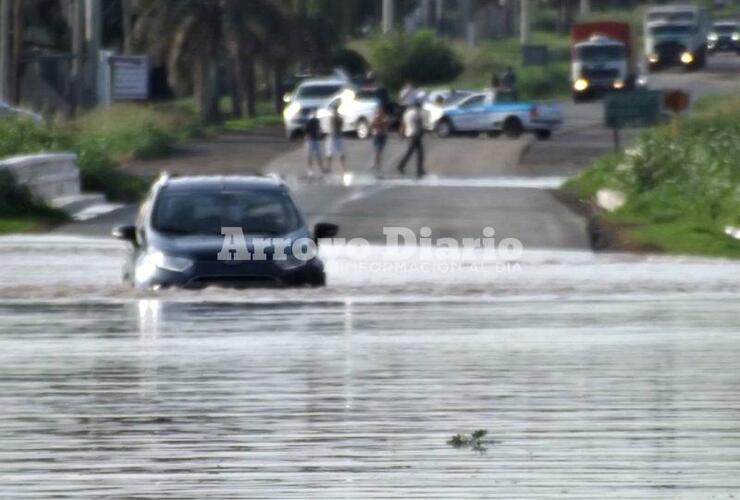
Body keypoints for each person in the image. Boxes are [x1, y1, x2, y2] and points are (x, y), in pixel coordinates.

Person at [396, 100, 426, 179]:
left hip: (409, 133)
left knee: (411, 152)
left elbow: (403, 124)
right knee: (419, 153)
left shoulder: (407, 113)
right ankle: (418, 170)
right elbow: (419, 123)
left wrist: (402, 134)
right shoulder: (417, 113)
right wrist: (423, 130)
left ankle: (402, 166)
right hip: (416, 133)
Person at [325, 102, 346, 176]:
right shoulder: (333, 117)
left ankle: (343, 168)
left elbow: (340, 125)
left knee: (341, 152)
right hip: (333, 136)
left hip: (338, 136)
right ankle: (329, 167)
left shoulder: (339, 117)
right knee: (329, 152)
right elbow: (332, 125)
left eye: (335, 110)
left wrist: (337, 118)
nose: (334, 111)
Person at [370, 104, 391, 177]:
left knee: (379, 151)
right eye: (379, 110)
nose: (380, 112)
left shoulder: (385, 117)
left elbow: (387, 124)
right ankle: (377, 165)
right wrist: (378, 123)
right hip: (376, 136)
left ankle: (375, 163)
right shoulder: (376, 117)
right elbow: (372, 125)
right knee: (377, 151)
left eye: (381, 110)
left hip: (383, 136)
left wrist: (381, 123)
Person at [304, 111, 324, 177]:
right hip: (311, 140)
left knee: (317, 155)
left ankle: (319, 168)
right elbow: (307, 131)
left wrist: (319, 133)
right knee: (311, 155)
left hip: (315, 140)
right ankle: (310, 169)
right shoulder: (310, 121)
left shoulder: (316, 120)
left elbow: (318, 129)